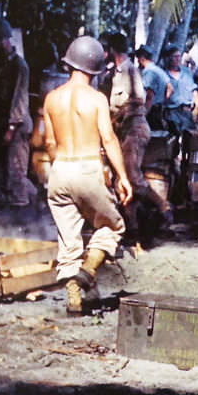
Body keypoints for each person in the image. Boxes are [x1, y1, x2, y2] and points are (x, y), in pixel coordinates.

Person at [43, 36, 132, 315]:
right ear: (94, 69)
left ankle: (74, 295)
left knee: (69, 238)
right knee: (112, 226)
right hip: (88, 167)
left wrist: (61, 167)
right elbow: (108, 138)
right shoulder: (96, 99)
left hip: (59, 170)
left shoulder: (51, 98)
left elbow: (48, 143)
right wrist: (123, 176)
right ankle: (88, 271)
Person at [105, 33, 174, 233]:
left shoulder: (131, 71)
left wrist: (115, 118)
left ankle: (162, 205)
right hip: (123, 131)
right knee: (121, 178)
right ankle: (131, 225)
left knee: (132, 177)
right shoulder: (115, 74)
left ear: (111, 50)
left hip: (134, 129)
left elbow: (138, 101)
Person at [0, 17, 33, 209]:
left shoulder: (19, 66)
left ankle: (22, 216)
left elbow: (19, 99)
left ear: (3, 40)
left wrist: (11, 129)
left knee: (16, 174)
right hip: (0, 125)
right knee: (1, 176)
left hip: (16, 127)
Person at [162, 46, 198, 135]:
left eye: (179, 56)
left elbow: (194, 91)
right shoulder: (163, 75)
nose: (177, 59)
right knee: (173, 137)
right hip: (171, 112)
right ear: (169, 58)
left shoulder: (186, 72)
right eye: (174, 56)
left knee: (189, 138)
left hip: (186, 111)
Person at [136, 46, 169, 131]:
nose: (138, 61)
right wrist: (162, 100)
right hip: (159, 110)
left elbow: (149, 96)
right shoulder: (160, 71)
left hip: (151, 111)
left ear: (142, 58)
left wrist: (143, 116)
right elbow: (170, 88)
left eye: (138, 59)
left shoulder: (149, 72)